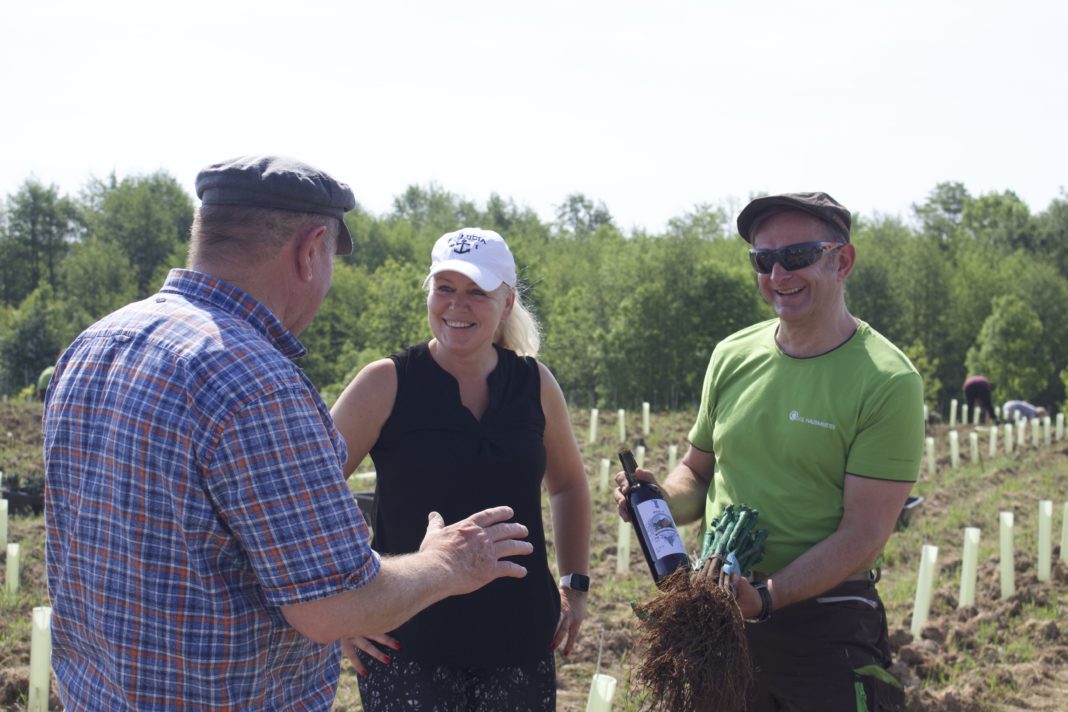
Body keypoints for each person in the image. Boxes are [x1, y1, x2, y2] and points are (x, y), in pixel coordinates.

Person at [42, 156, 533, 711]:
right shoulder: (259, 384)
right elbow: (332, 605)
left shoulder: (94, 346)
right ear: (310, 249)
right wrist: (447, 563)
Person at [614, 192, 924, 711]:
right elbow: (697, 472)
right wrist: (659, 499)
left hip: (829, 625)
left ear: (841, 260)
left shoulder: (887, 380)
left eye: (797, 256)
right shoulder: (732, 356)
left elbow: (865, 534)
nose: (778, 274)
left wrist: (768, 597)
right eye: (764, 260)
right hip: (720, 616)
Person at [331, 227, 591, 711]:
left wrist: (575, 583)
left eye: (477, 292)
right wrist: (344, 608)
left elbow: (570, 486)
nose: (457, 305)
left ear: (508, 302)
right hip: (407, 644)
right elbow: (308, 494)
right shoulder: (385, 383)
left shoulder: (534, 383)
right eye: (445, 288)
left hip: (521, 641)